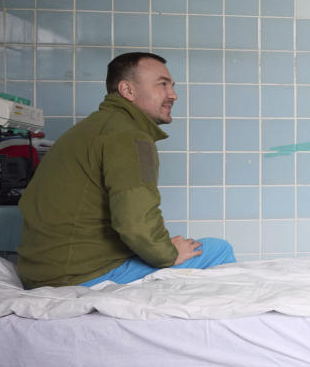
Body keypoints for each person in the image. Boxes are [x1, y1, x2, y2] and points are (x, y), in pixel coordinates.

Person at [17, 52, 236, 288]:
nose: (173, 94)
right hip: (78, 276)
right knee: (218, 250)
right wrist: (168, 253)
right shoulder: (129, 135)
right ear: (128, 90)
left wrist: (161, 246)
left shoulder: (97, 127)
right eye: (162, 85)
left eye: (172, 86)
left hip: (42, 271)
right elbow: (135, 221)